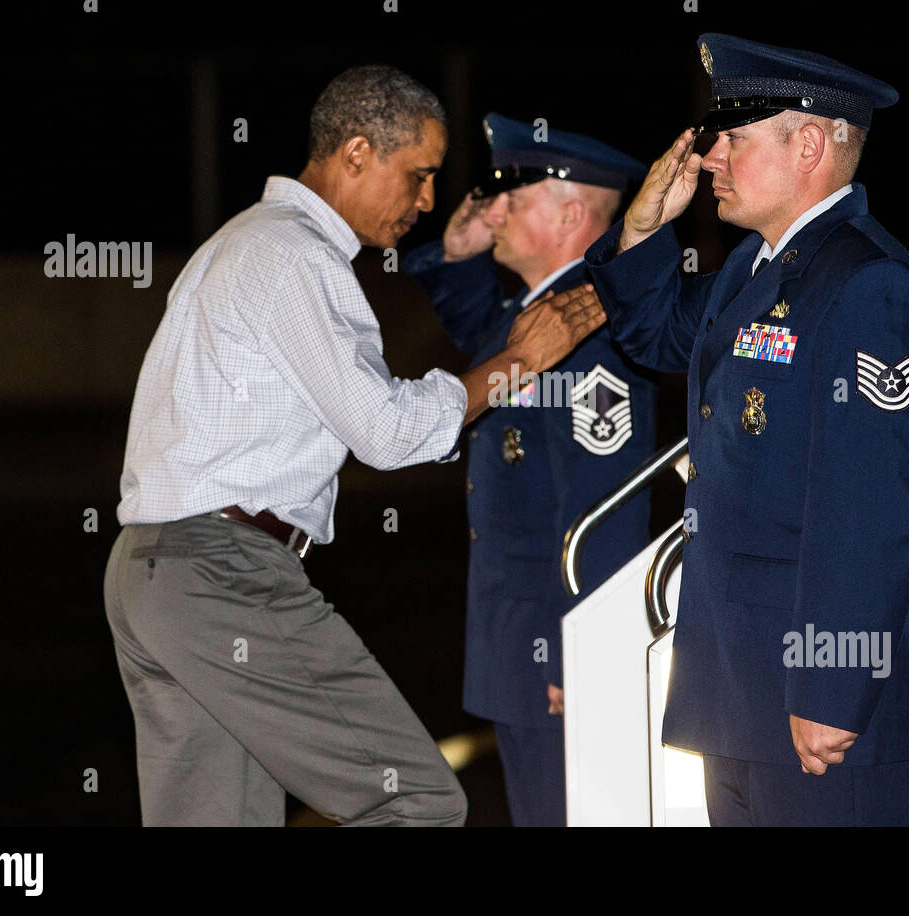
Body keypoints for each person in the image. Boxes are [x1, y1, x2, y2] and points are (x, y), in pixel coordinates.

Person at [102, 66, 605, 826]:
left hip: (150, 575)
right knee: (417, 803)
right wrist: (518, 361)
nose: (428, 200)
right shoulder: (296, 255)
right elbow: (390, 431)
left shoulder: (237, 242)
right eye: (420, 175)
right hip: (221, 574)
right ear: (358, 153)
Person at [585, 34, 909, 826]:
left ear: (807, 145)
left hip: (819, 700)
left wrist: (832, 687)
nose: (711, 157)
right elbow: (656, 335)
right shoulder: (752, 269)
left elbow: (866, 505)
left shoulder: (865, 283)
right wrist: (642, 227)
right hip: (739, 688)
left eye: (733, 138)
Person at [403, 113, 657, 826]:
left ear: (574, 212)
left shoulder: (586, 334)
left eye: (518, 191)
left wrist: (583, 647)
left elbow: (604, 510)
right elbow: (490, 350)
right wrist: (457, 256)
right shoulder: (535, 313)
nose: (496, 206)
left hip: (555, 659)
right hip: (519, 650)